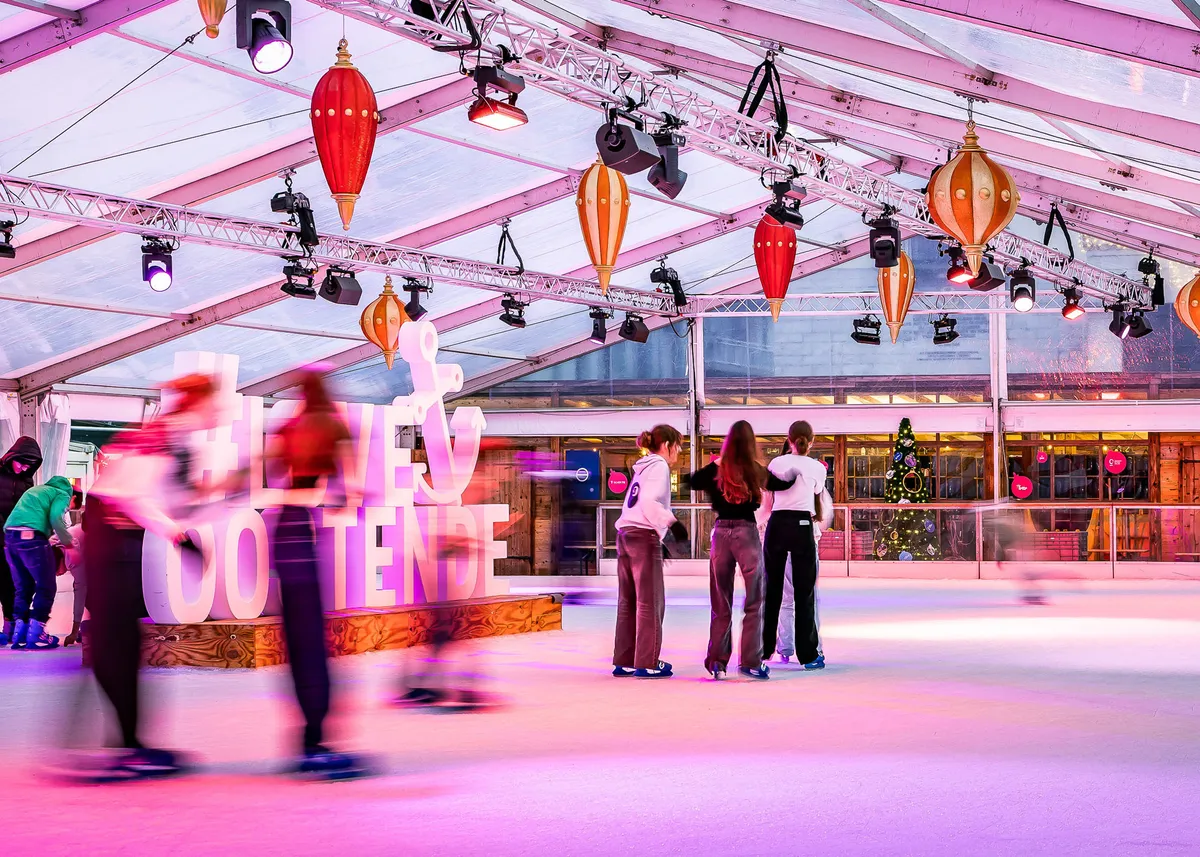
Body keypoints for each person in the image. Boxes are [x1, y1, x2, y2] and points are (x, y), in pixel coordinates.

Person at [80, 374, 214, 780]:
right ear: (198, 402)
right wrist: (178, 537)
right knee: (117, 642)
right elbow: (131, 497)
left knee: (123, 642)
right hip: (110, 536)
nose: (218, 412)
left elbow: (164, 496)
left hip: (116, 537)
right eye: (212, 402)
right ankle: (128, 746)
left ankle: (130, 742)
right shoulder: (167, 434)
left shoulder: (172, 433)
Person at [265, 368, 366, 779]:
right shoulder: (328, 426)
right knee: (310, 641)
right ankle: (313, 742)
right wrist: (334, 496)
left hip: (287, 533)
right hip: (301, 536)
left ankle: (311, 739)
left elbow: (272, 478)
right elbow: (349, 490)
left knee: (302, 639)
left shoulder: (290, 427)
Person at [688, 420, 792, 680]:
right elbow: (781, 485)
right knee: (755, 599)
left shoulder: (716, 470)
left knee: (720, 601)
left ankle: (717, 663)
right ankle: (751, 662)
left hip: (721, 535)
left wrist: (717, 463)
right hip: (746, 534)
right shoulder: (754, 469)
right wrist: (799, 473)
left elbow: (692, 481)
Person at [612, 424, 686, 679]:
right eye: (678, 446)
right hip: (643, 537)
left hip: (625, 535)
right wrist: (672, 524)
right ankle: (647, 660)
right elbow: (648, 502)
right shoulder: (659, 466)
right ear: (667, 445)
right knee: (650, 601)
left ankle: (626, 659)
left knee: (628, 601)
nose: (678, 453)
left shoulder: (642, 467)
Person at [759, 421, 832, 670]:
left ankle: (763, 649)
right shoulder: (816, 468)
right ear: (811, 441)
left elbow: (768, 496)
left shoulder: (777, 463)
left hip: (778, 524)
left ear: (788, 439)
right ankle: (809, 654)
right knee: (804, 593)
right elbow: (816, 493)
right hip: (802, 524)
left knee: (772, 590)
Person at [4, 474, 74, 649]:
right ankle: (36, 634)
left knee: (23, 587)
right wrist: (68, 543)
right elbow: (56, 518)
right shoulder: (61, 493)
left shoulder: (36, 490)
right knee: (46, 585)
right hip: (32, 538)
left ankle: (20, 632)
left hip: (10, 538)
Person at [0, 437, 42, 645]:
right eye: (21, 463)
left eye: (28, 466)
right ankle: (9, 624)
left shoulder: (26, 480)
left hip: (17, 540)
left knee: (20, 583)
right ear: (12, 457)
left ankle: (16, 624)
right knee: (4, 583)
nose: (23, 468)